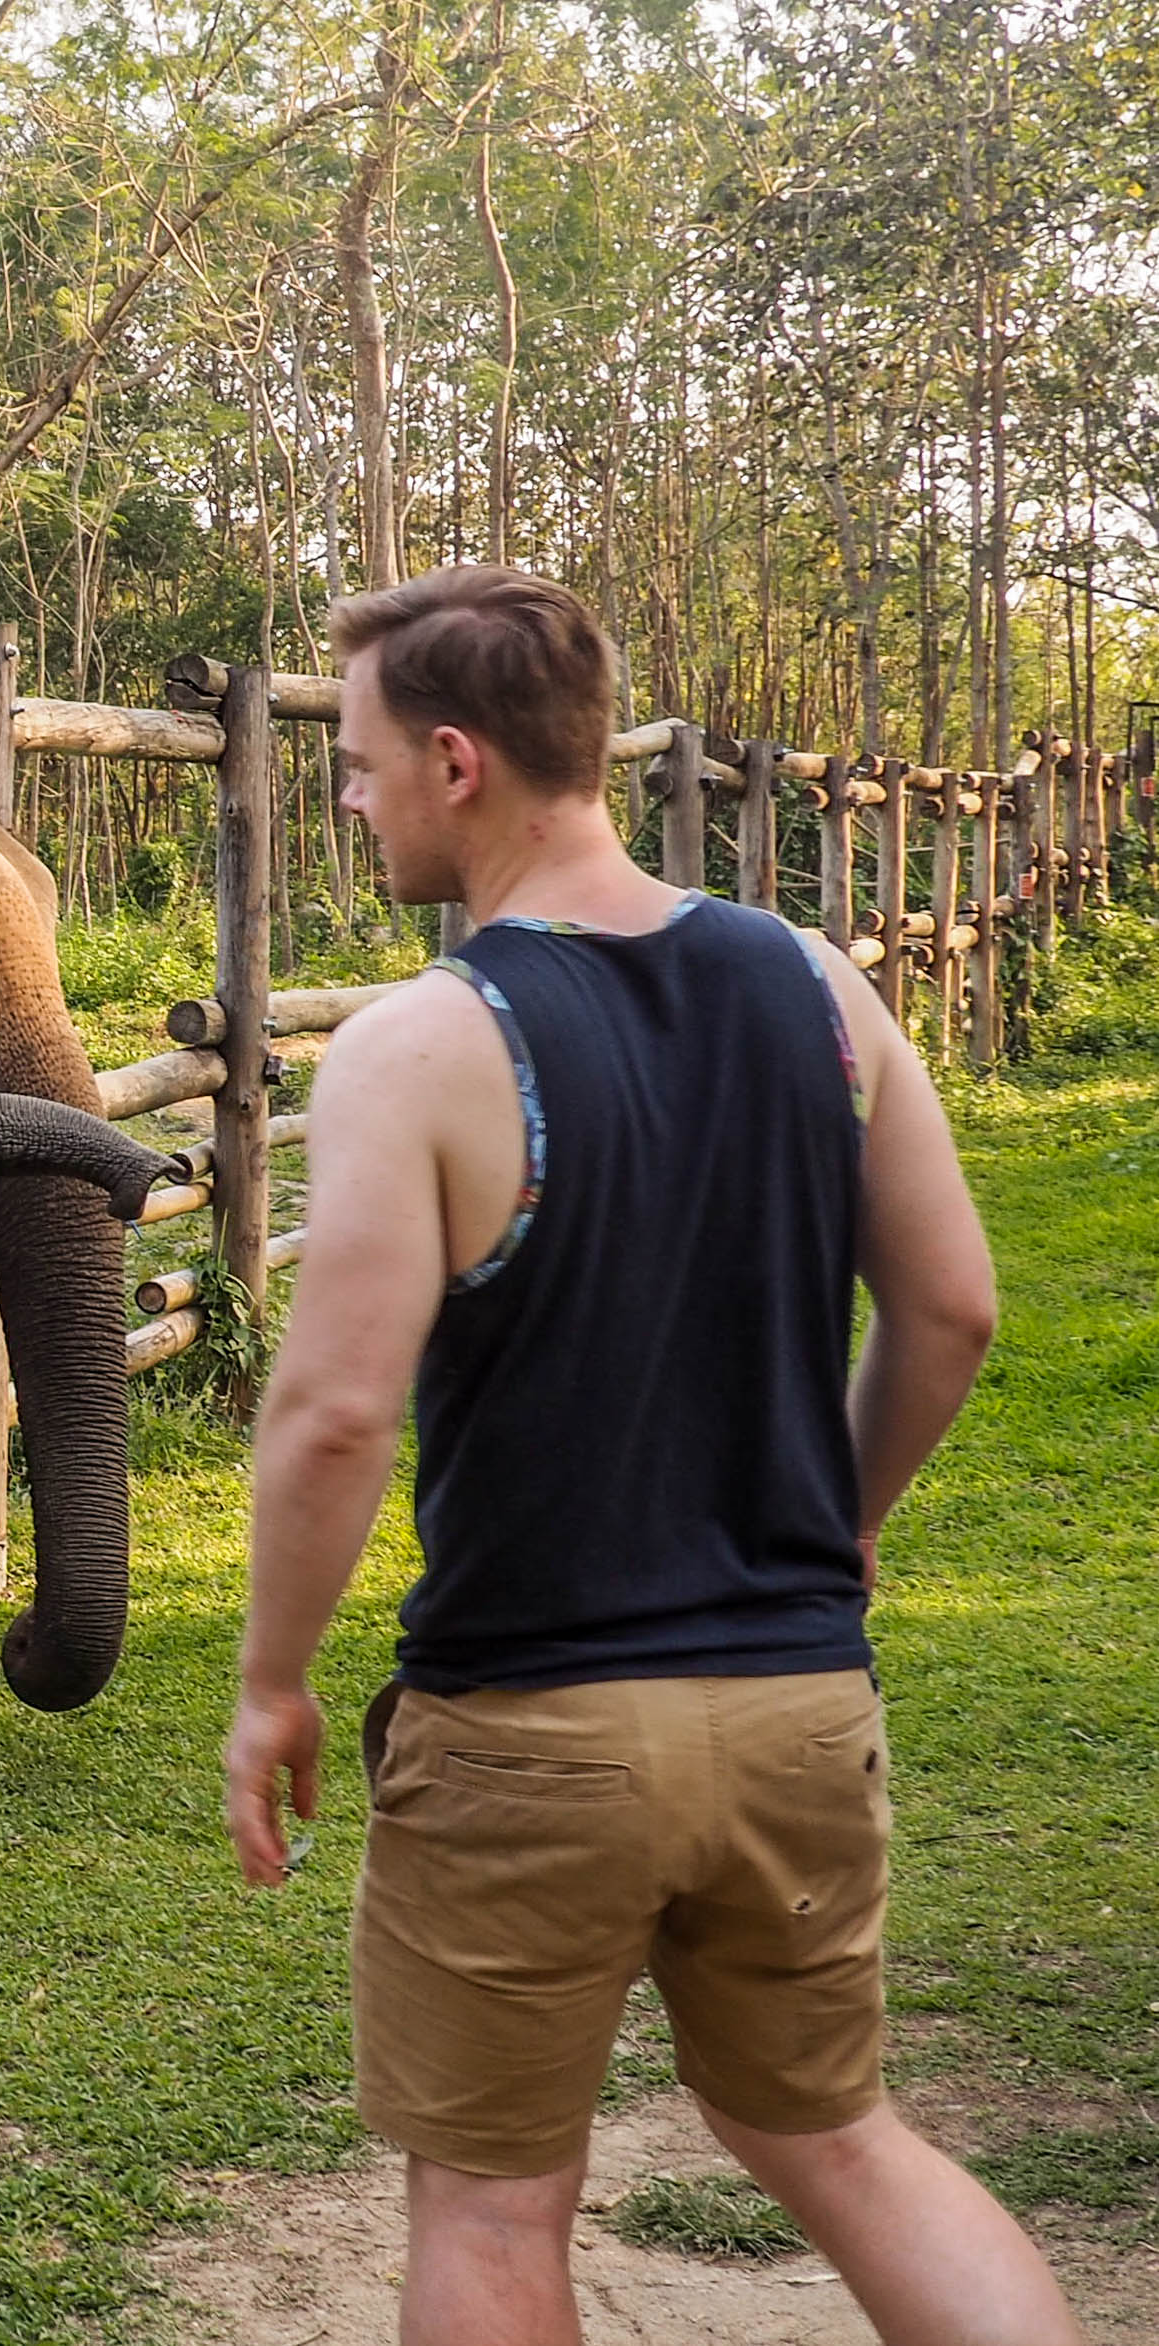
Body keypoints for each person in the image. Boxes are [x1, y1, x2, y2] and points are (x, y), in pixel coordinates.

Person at [218, 565, 1081, 2346]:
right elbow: (951, 1311)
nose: (351, 794)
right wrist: (829, 1524)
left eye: (362, 758)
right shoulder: (818, 986)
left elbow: (329, 1409)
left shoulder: (418, 1043)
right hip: (792, 1714)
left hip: (531, 1732)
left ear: (455, 761)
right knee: (833, 2134)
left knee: (485, 2205)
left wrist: (270, 1678)